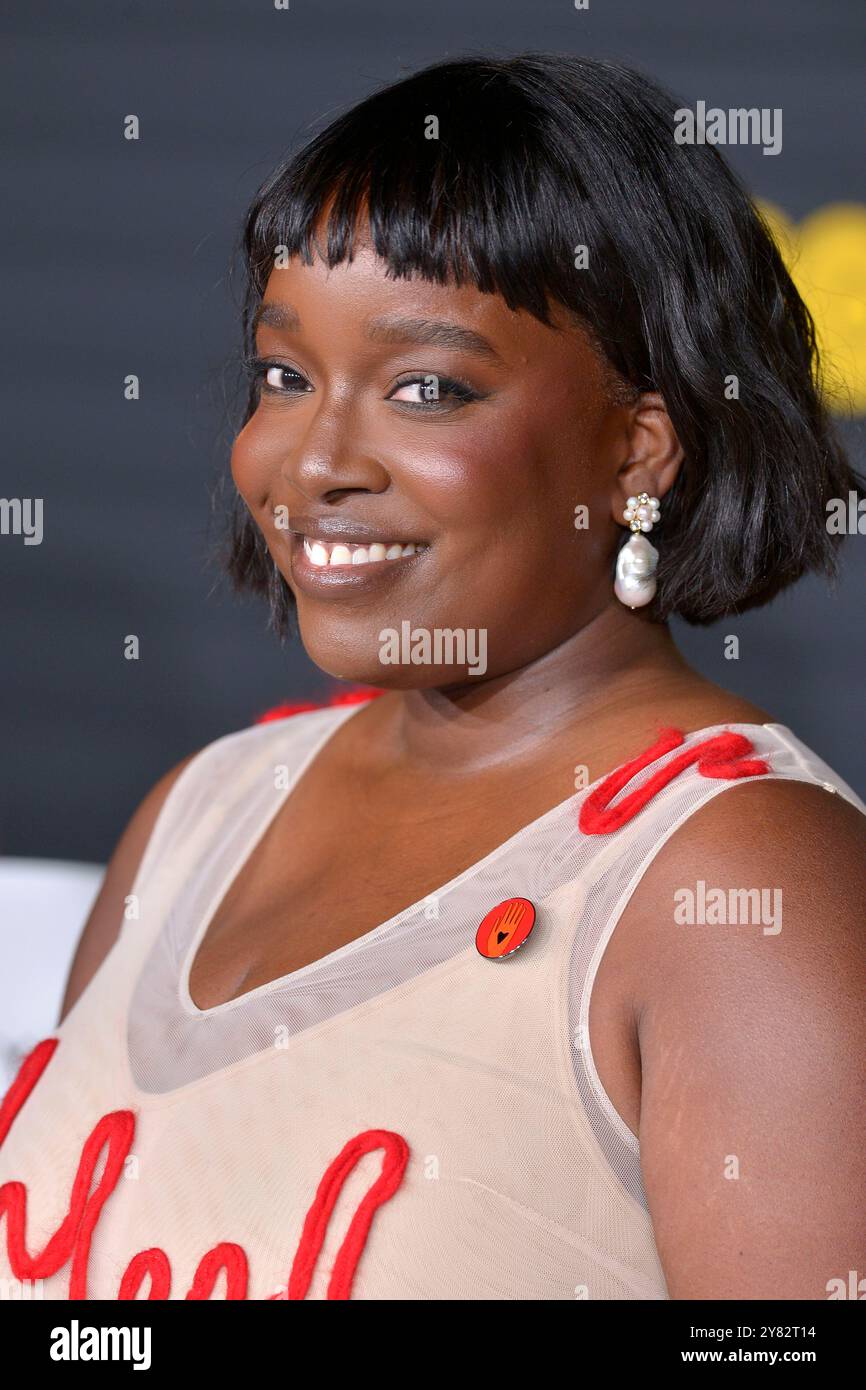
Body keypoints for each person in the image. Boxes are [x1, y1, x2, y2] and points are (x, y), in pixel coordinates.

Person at [2, 53, 864, 1302]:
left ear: (636, 447)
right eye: (283, 377)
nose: (313, 461)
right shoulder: (203, 810)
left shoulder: (744, 890)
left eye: (426, 388)